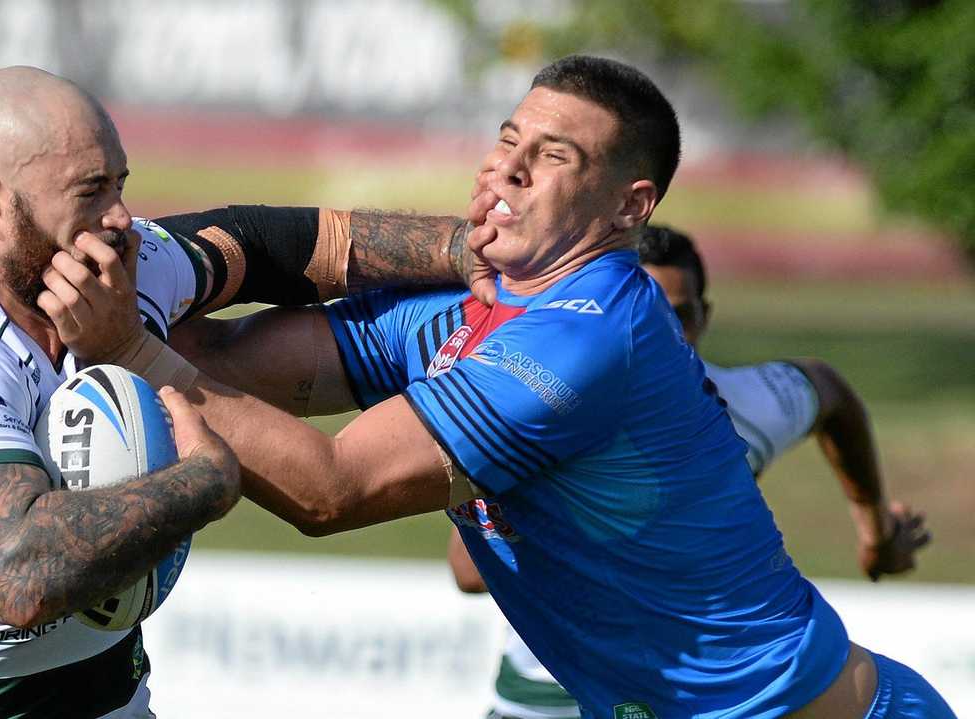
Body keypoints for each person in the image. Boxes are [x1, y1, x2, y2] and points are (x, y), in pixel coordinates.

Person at [80, 55, 955, 717]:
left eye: (555, 156)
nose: (510, 168)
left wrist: (129, 343)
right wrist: (119, 258)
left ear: (628, 207)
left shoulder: (587, 341)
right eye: (508, 140)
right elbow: (223, 364)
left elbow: (331, 490)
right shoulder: (458, 313)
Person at [0, 66, 478, 719]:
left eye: (120, 183)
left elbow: (281, 243)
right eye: (91, 189)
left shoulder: (116, 273)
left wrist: (472, 248)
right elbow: (18, 575)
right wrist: (205, 483)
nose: (122, 215)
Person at [446, 223, 934, 719]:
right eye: (640, 311)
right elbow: (467, 571)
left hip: (698, 695)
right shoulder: (540, 414)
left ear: (706, 316)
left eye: (678, 316)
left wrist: (876, 532)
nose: (662, 334)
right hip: (550, 693)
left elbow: (831, 395)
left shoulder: (749, 405)